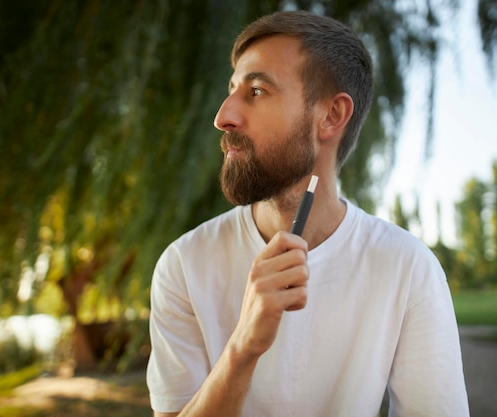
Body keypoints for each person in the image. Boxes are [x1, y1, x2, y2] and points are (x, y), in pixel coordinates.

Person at [146, 10, 470, 417]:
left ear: (331, 116)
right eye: (231, 91)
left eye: (257, 91)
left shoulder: (407, 267)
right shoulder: (184, 264)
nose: (223, 116)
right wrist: (243, 348)